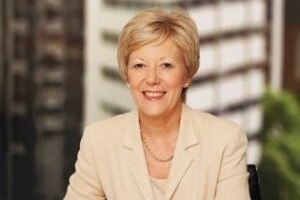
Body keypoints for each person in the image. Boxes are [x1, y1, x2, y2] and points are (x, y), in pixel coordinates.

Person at [64, 8, 251, 200]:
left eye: (166, 65)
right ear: (127, 76)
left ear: (186, 75)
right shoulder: (98, 141)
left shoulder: (225, 140)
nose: (152, 78)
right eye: (139, 66)